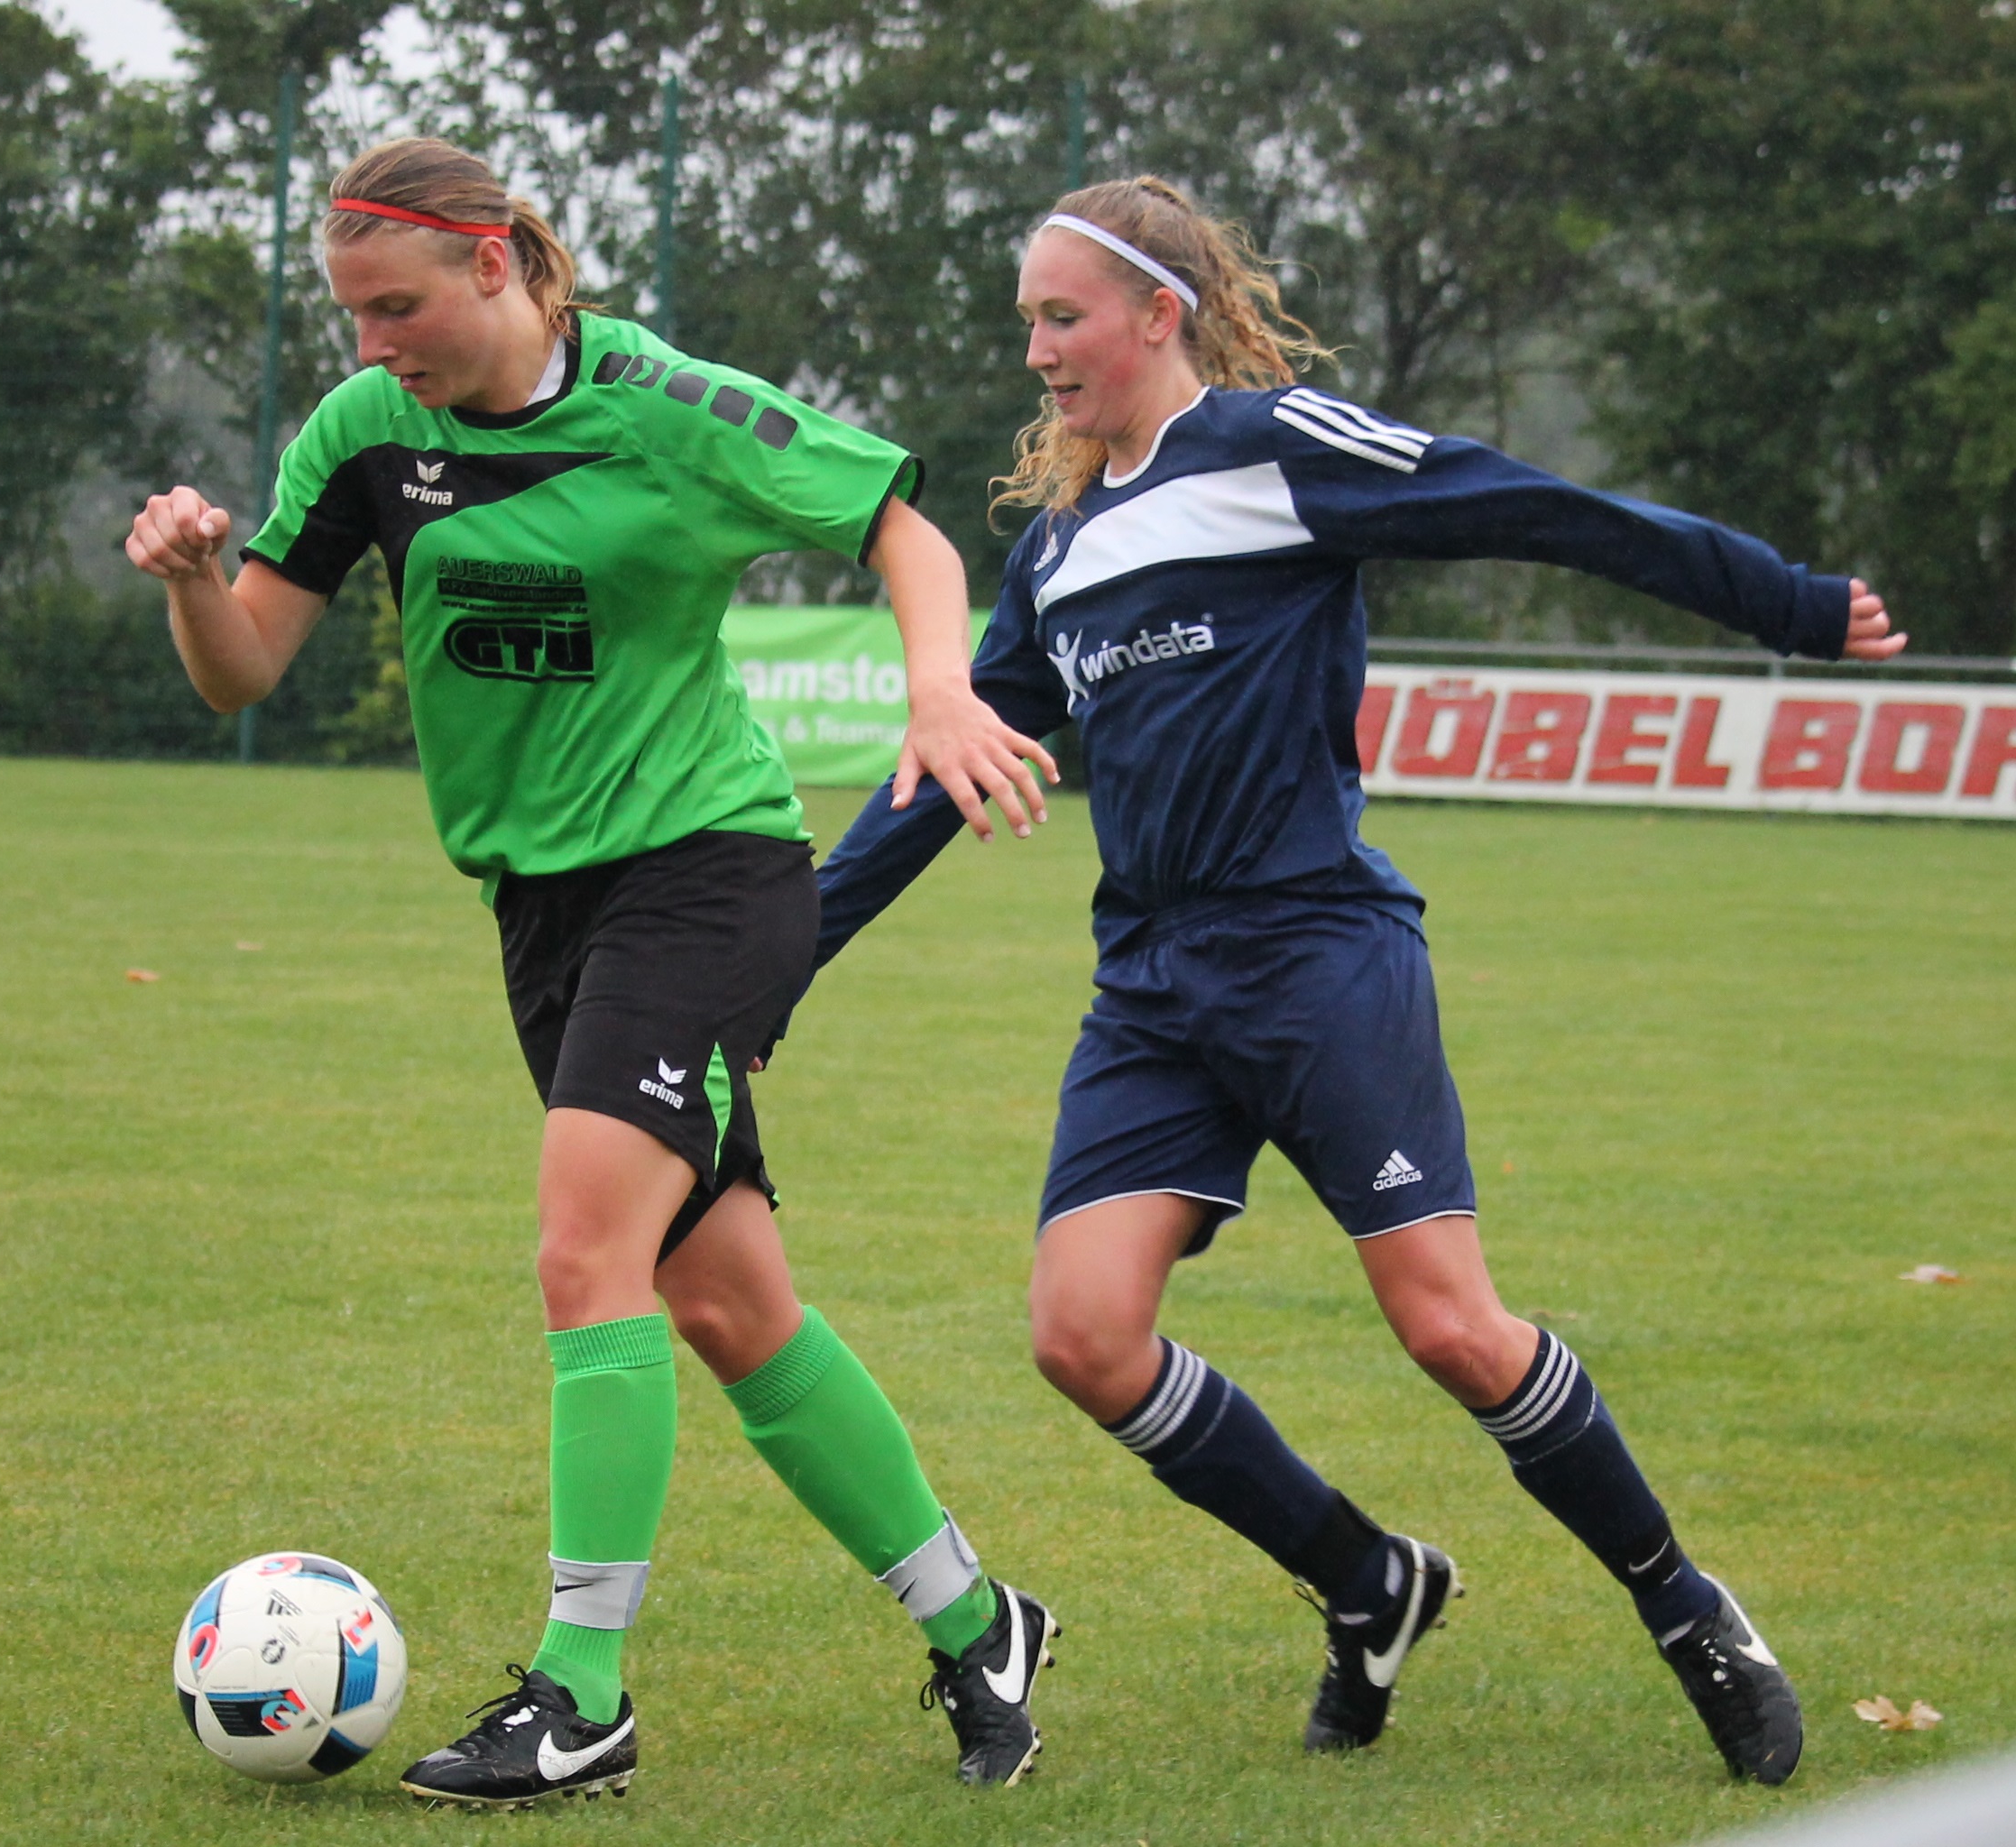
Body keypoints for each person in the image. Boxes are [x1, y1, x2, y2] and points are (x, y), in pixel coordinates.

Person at [796, 177, 1910, 1787]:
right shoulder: (1055, 552)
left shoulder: (1279, 450)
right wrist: (785, 955)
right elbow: (941, 777)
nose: (1034, 350)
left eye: (1061, 316)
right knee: (1082, 1334)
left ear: (1158, 314)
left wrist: (1780, 603)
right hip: (1152, 986)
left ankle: (1686, 1607)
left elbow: (1530, 507)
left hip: (1318, 950)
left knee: (1452, 1330)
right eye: (1027, 320)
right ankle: (1366, 1578)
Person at [124, 139, 1067, 1806]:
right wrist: (198, 580)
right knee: (726, 1304)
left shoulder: (663, 403)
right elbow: (241, 670)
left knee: (584, 1251)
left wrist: (938, 685)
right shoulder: (369, 434)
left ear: (494, 263)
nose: (372, 345)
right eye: (350, 315)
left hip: (707, 873)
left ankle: (580, 1695)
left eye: (396, 307)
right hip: (541, 909)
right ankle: (980, 1625)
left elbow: (903, 532)